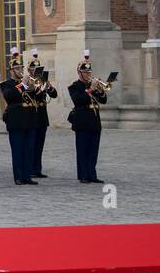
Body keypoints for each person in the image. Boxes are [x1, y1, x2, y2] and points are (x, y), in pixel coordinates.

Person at [0, 48, 43, 185]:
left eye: (21, 68)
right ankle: (18, 176)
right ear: (11, 71)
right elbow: (10, 96)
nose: (20, 70)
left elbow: (40, 96)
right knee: (18, 150)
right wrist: (23, 84)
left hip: (30, 120)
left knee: (29, 149)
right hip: (16, 120)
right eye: (17, 68)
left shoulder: (29, 83)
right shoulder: (6, 84)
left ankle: (27, 175)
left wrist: (37, 86)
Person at [67, 51, 108, 184]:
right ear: (79, 73)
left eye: (89, 72)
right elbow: (78, 100)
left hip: (95, 121)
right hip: (82, 121)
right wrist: (91, 89)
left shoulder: (93, 85)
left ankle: (92, 174)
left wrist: (100, 90)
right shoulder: (74, 86)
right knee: (83, 149)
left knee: (93, 149)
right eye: (86, 73)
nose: (88, 75)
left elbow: (103, 100)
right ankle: (83, 175)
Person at [27, 49, 58, 179]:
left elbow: (54, 95)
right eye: (34, 69)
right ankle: (30, 169)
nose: (36, 72)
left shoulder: (42, 81)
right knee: (31, 145)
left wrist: (49, 86)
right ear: (29, 71)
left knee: (39, 145)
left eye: (38, 69)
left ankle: (37, 169)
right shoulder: (27, 82)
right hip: (31, 116)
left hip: (42, 116)